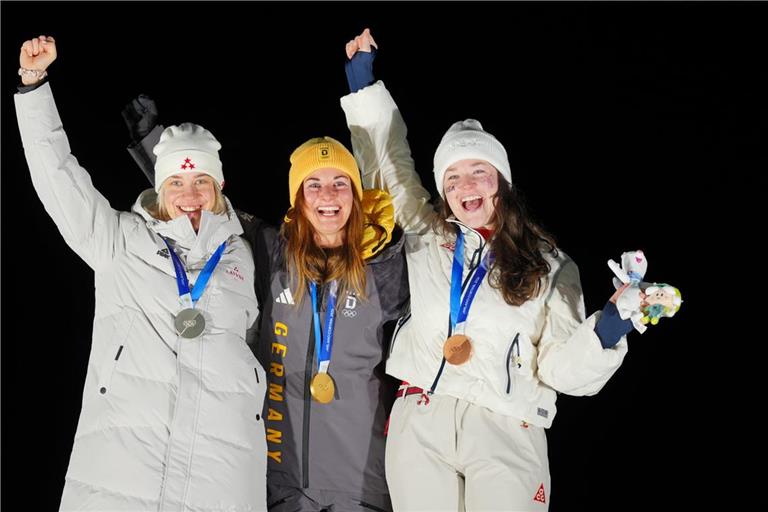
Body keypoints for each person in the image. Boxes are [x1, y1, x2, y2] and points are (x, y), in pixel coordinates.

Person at [340, 29, 635, 511]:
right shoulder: (427, 234)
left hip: (505, 426)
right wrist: (363, 85)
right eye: (452, 176)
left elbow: (563, 370)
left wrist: (608, 328)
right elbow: (389, 166)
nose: (465, 184)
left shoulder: (551, 266)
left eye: (479, 171)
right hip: (422, 417)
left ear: (501, 182)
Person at [122, 88, 409, 512]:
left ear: (356, 195)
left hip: (361, 483)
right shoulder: (272, 252)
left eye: (339, 183)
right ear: (297, 197)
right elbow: (200, 206)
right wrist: (157, 148)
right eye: (313, 184)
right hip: (279, 480)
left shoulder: (384, 263)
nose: (327, 195)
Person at [15, 36, 267, 511]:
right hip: (122, 469)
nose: (189, 195)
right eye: (176, 182)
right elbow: (58, 176)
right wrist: (34, 88)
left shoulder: (245, 254)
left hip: (223, 475)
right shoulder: (120, 241)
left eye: (200, 182)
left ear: (220, 186)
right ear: (159, 186)